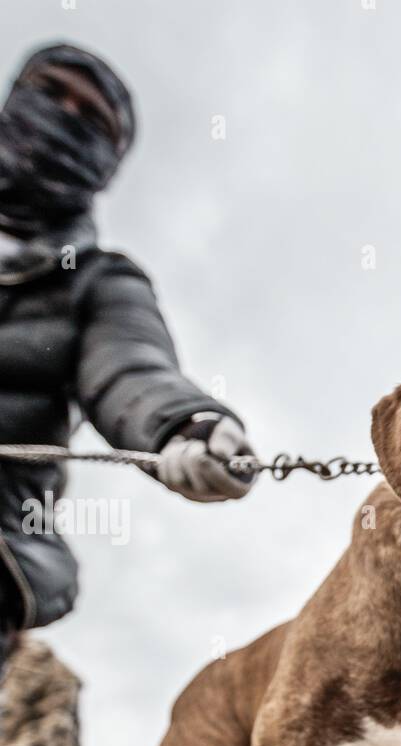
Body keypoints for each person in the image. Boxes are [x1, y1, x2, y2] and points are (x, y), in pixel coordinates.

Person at [0, 41, 255, 644]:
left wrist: (185, 425)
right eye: (49, 93)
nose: (62, 116)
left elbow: (129, 370)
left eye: (88, 118)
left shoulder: (98, 281)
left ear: (106, 165)